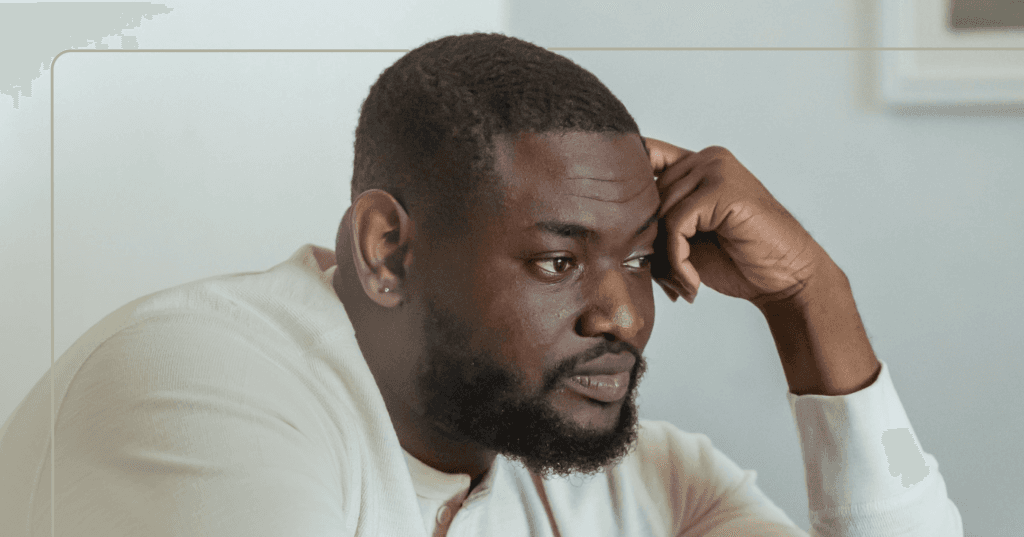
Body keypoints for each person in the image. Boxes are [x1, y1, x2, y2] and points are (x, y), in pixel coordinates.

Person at [0, 33, 962, 536]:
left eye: (637, 258)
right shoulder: (199, 383)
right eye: (557, 261)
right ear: (387, 253)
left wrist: (811, 297)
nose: (624, 314)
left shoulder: (629, 478)